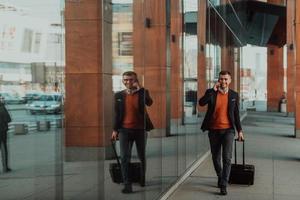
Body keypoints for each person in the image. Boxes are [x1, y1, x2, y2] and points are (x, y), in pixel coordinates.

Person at [199, 70, 244, 195]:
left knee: (227, 158)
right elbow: (201, 103)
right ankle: (220, 175)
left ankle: (224, 184)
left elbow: (236, 114)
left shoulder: (234, 95)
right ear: (218, 80)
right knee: (215, 157)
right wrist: (212, 90)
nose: (223, 81)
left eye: (225, 79)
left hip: (228, 130)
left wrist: (239, 130)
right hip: (213, 130)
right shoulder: (211, 92)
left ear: (229, 80)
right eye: (221, 79)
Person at [111, 71, 154, 194]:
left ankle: (142, 178)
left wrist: (140, 89)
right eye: (125, 80)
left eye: (130, 79)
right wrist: (115, 130)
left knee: (141, 156)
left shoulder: (143, 92)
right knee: (124, 157)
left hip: (140, 130)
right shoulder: (119, 95)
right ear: (123, 81)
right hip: (124, 130)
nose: (128, 82)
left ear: (136, 80)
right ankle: (127, 184)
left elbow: (149, 103)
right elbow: (117, 115)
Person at [0, 95, 12, 173]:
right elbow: (8, 119)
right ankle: (5, 168)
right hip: (2, 131)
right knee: (3, 149)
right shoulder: (2, 108)